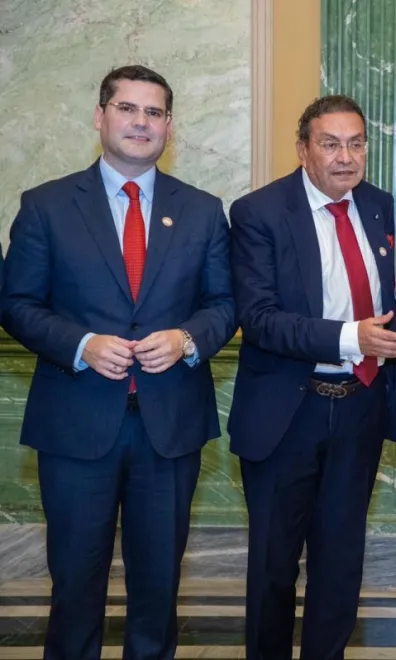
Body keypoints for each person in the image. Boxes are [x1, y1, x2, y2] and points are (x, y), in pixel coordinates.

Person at [1, 65, 236, 659]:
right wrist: (81, 345)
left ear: (169, 127)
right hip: (77, 426)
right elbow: (16, 303)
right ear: (100, 116)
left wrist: (186, 338)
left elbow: (226, 304)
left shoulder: (205, 211)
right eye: (127, 109)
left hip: (169, 428)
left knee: (158, 589)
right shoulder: (47, 205)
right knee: (75, 588)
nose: (140, 122)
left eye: (153, 113)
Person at [228, 94, 396, 660]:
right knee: (274, 566)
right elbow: (258, 320)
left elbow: (378, 307)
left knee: (340, 562)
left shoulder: (378, 206)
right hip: (289, 411)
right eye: (330, 144)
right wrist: (353, 336)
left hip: (359, 405)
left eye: (356, 143)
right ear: (303, 149)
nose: (345, 157)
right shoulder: (259, 212)